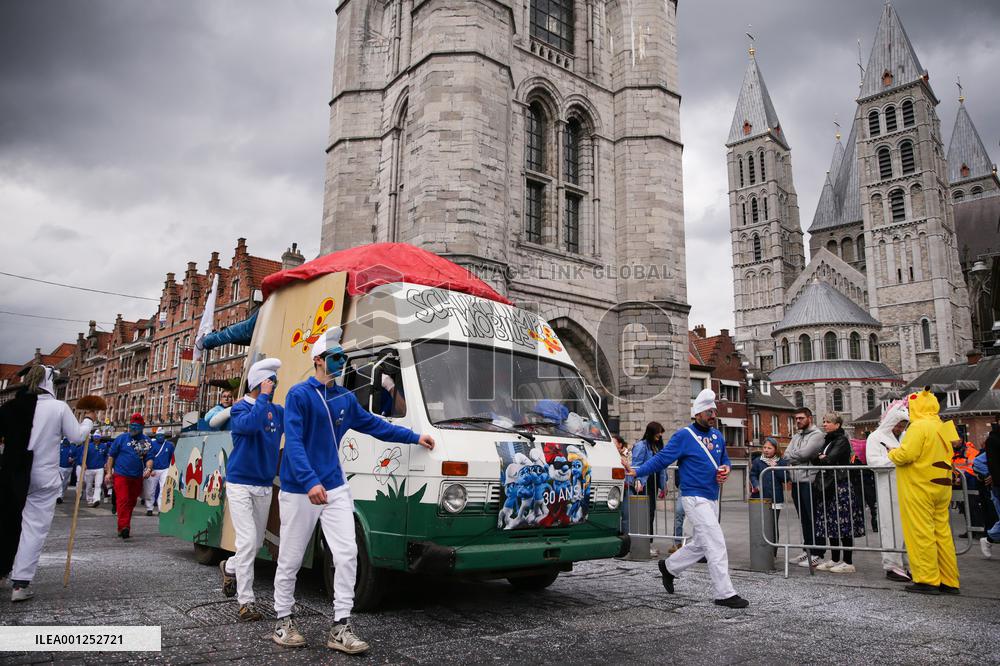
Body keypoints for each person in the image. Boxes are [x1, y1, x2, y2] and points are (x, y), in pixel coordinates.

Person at [271, 328, 435, 652]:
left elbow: (376, 426)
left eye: (343, 357)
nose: (341, 361)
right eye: (335, 357)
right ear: (319, 360)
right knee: (291, 556)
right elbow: (295, 444)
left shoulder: (345, 398)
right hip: (300, 488)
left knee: (347, 554)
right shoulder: (299, 395)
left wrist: (414, 437)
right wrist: (309, 481)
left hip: (335, 486)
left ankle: (341, 626)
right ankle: (283, 620)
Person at [627, 389, 749, 609]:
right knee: (716, 542)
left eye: (714, 411)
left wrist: (726, 469)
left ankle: (669, 567)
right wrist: (638, 471)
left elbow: (725, 460)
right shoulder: (684, 435)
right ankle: (725, 593)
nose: (713, 415)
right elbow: (662, 459)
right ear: (698, 413)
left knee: (702, 544)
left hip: (712, 497)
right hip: (693, 497)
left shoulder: (717, 436)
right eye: (709, 412)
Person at [0, 365, 95, 602]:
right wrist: (88, 421)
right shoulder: (58, 407)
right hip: (43, 477)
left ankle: (2, 570)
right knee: (34, 528)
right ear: (49, 381)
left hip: (13, 474)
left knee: (6, 521)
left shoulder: (10, 407)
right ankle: (20, 584)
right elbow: (77, 437)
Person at [218, 357, 284, 622]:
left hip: (264, 485)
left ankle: (230, 566)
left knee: (255, 544)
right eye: (271, 382)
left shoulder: (276, 410)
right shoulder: (239, 409)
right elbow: (250, 426)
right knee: (246, 541)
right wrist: (263, 398)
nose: (275, 386)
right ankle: (245, 602)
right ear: (259, 383)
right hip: (240, 483)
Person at [888, 390, 960, 595]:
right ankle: (949, 579)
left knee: (921, 532)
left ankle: (927, 579)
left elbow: (906, 454)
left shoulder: (918, 426)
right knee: (942, 533)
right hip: (941, 485)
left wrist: (892, 453)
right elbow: (952, 448)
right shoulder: (942, 424)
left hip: (920, 486)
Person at [810, 414, 865, 574]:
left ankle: (848, 561)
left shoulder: (841, 440)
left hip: (840, 485)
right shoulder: (828, 440)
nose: (824, 424)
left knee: (844, 524)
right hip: (828, 486)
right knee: (831, 523)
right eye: (824, 421)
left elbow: (829, 460)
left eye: (828, 422)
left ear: (838, 424)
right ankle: (834, 559)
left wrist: (822, 458)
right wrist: (821, 457)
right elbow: (814, 458)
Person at [865, 399, 911, 581]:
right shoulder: (876, 437)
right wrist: (898, 458)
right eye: (897, 425)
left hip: (906, 489)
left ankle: (908, 563)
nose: (899, 429)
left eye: (903, 425)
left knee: (907, 529)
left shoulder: (906, 437)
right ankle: (892, 565)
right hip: (888, 489)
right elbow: (874, 462)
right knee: (890, 527)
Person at [783, 407, 826, 567]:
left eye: (801, 418)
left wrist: (795, 456)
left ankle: (818, 553)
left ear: (809, 418)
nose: (798, 421)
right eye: (796, 419)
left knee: (813, 517)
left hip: (810, 482)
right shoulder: (796, 436)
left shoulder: (817, 435)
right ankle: (807, 549)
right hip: (796, 481)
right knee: (804, 519)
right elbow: (785, 455)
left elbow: (805, 454)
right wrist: (796, 456)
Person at [105, 414, 152, 538]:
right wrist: (109, 472)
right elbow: (111, 456)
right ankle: (124, 526)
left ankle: (123, 526)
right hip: (121, 475)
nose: (133, 428)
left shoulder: (145, 441)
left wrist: (148, 468)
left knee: (131, 502)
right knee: (123, 500)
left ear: (142, 427)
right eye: (131, 425)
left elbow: (149, 458)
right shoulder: (121, 439)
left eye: (136, 426)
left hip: (137, 477)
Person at [630, 421, 666, 551]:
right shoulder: (641, 446)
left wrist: (663, 485)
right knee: (645, 513)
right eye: (658, 432)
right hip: (644, 482)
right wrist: (638, 481)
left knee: (651, 512)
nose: (660, 435)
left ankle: (648, 542)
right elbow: (636, 465)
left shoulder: (657, 446)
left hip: (653, 482)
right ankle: (644, 543)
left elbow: (662, 467)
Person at [750, 437, 786, 547]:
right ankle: (761, 549)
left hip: (775, 498)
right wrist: (756, 484)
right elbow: (752, 475)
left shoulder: (781, 462)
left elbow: (785, 478)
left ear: (775, 449)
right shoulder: (758, 461)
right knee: (761, 525)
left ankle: (773, 551)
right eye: (764, 447)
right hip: (760, 498)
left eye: (769, 448)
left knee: (773, 525)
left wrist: (776, 468)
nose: (766, 450)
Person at [144, 431, 175, 515]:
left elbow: (172, 457)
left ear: (164, 436)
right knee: (150, 490)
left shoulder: (169, 445)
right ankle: (149, 508)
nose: (160, 437)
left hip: (165, 469)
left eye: (162, 435)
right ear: (156, 436)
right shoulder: (151, 444)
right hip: (153, 470)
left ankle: (161, 509)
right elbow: (148, 457)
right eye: (158, 435)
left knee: (163, 489)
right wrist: (150, 469)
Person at [77, 433, 109, 508]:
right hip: (89, 468)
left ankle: (96, 499)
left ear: (100, 438)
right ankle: (89, 499)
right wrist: (83, 463)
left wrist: (106, 463)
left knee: (98, 484)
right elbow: (83, 456)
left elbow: (107, 456)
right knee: (89, 485)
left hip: (99, 468)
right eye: (95, 437)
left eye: (98, 437)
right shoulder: (88, 446)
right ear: (93, 438)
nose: (96, 439)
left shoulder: (104, 446)